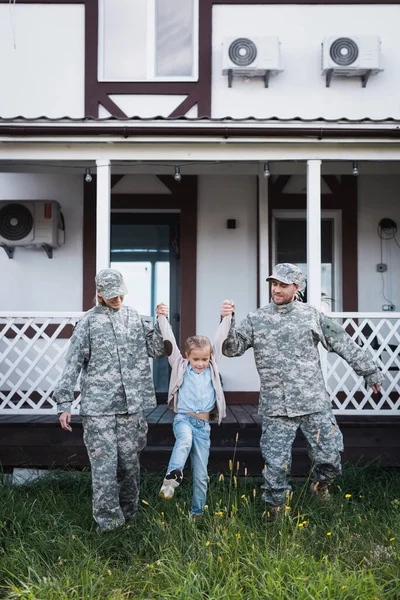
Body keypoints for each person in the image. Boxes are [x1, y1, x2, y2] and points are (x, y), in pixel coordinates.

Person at [220, 263, 382, 517]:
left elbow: (344, 343)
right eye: (273, 284)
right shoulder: (256, 319)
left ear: (297, 287)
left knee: (329, 455)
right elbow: (231, 349)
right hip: (276, 405)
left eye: (283, 285)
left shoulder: (312, 315)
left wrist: (369, 371)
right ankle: (276, 510)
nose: (276, 289)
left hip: (313, 401)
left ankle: (320, 485)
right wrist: (227, 321)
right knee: (275, 465)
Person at [53, 268, 166, 531]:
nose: (118, 300)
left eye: (121, 294)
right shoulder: (88, 323)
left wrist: (162, 321)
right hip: (99, 409)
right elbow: (72, 364)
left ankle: (130, 517)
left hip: (131, 407)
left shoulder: (134, 318)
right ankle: (109, 524)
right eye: (112, 295)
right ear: (100, 294)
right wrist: (64, 404)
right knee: (104, 468)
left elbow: (158, 350)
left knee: (129, 465)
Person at [157, 312, 231, 519]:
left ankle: (197, 514)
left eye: (204, 359)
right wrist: (162, 318)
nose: (200, 363)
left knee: (201, 475)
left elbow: (219, 340)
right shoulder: (181, 366)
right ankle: (172, 478)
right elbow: (169, 342)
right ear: (187, 356)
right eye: (195, 359)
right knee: (184, 441)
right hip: (184, 419)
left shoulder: (212, 368)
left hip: (203, 427)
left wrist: (227, 317)